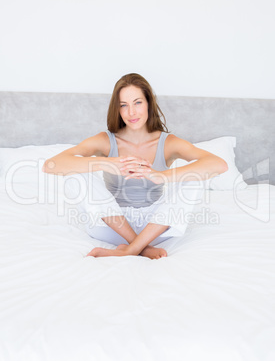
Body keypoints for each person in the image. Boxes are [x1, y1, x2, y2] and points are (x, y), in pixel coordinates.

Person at [42, 73, 228, 259]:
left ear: (148, 103)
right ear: (118, 109)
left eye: (137, 102)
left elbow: (219, 164)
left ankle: (131, 249)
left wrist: (161, 176)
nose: (131, 112)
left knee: (195, 177)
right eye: (124, 105)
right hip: (112, 227)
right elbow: (51, 165)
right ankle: (142, 248)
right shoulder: (105, 140)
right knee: (76, 171)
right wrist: (105, 163)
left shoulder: (168, 143)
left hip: (154, 228)